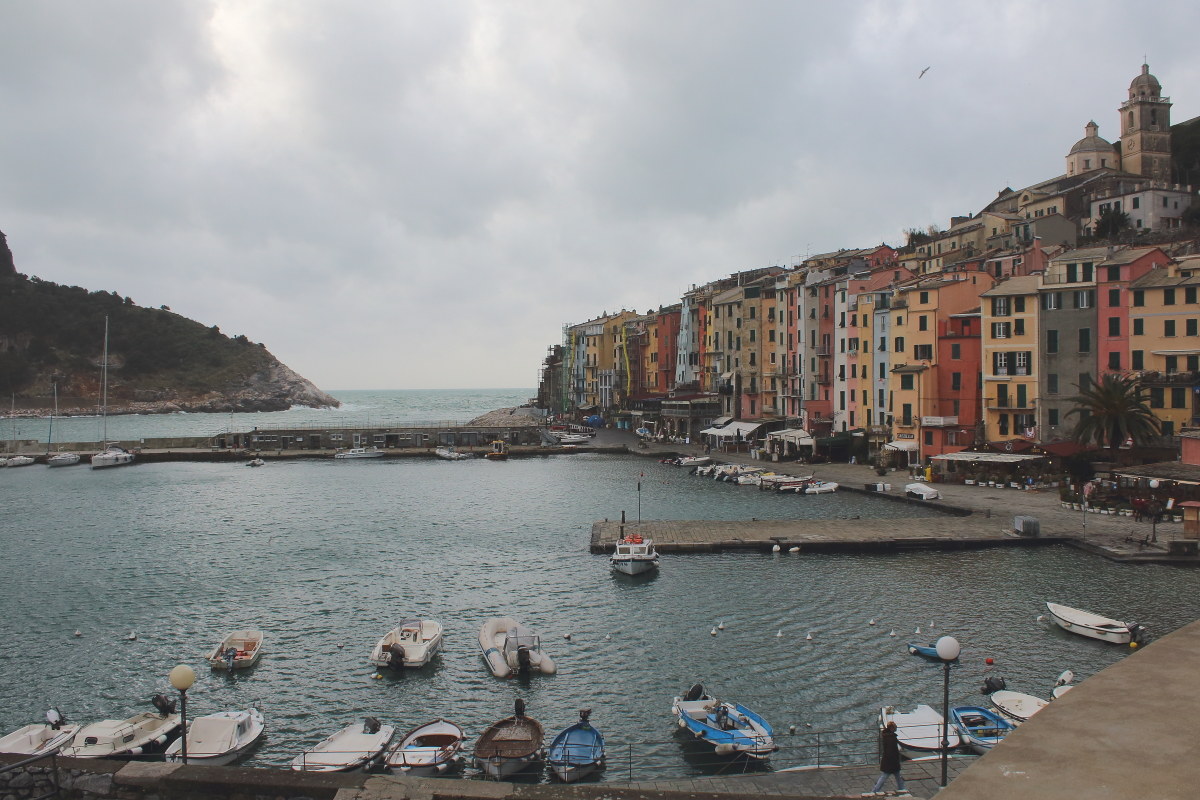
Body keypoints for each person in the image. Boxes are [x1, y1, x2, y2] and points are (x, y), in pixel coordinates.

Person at [872, 720, 906, 794]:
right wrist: (896, 760)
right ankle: (875, 790)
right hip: (892, 762)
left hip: (888, 761)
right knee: (887, 777)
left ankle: (902, 789)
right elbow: (892, 751)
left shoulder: (886, 736)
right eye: (894, 727)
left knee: (891, 777)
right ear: (892, 728)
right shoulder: (892, 738)